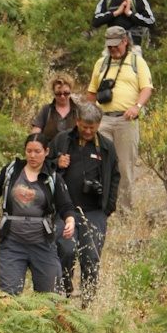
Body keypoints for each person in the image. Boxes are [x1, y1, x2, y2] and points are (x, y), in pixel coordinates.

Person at [0, 134, 76, 296]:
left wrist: (70, 221)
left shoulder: (52, 177)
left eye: (37, 151)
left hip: (42, 243)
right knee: (9, 295)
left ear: (46, 152)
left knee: (50, 295)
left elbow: (65, 205)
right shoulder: (11, 172)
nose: (32, 155)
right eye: (29, 151)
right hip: (12, 243)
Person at [48, 102, 120, 305]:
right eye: (85, 127)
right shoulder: (62, 140)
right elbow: (44, 166)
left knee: (90, 256)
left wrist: (108, 207)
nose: (88, 131)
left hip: (94, 211)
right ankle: (63, 297)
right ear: (77, 121)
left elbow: (115, 176)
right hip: (65, 210)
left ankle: (87, 303)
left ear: (99, 124)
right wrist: (56, 163)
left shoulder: (106, 147)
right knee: (66, 251)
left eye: (92, 128)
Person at [86, 25, 153, 213]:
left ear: (125, 41)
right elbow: (91, 92)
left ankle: (125, 211)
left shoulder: (136, 62)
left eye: (116, 45)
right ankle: (100, 209)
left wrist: (137, 106)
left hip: (126, 121)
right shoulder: (101, 63)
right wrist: (88, 116)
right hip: (103, 120)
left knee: (124, 167)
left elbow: (146, 88)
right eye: (110, 46)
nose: (113, 49)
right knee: (99, 164)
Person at [91, 0, 155, 56]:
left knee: (135, 64)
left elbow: (151, 22)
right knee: (103, 64)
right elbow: (96, 21)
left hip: (133, 46)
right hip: (112, 46)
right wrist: (115, 13)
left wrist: (130, 14)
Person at [30, 73, 79, 145]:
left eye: (66, 93)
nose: (62, 96)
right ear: (53, 92)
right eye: (58, 94)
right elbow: (35, 135)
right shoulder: (46, 110)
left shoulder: (79, 111)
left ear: (71, 91)